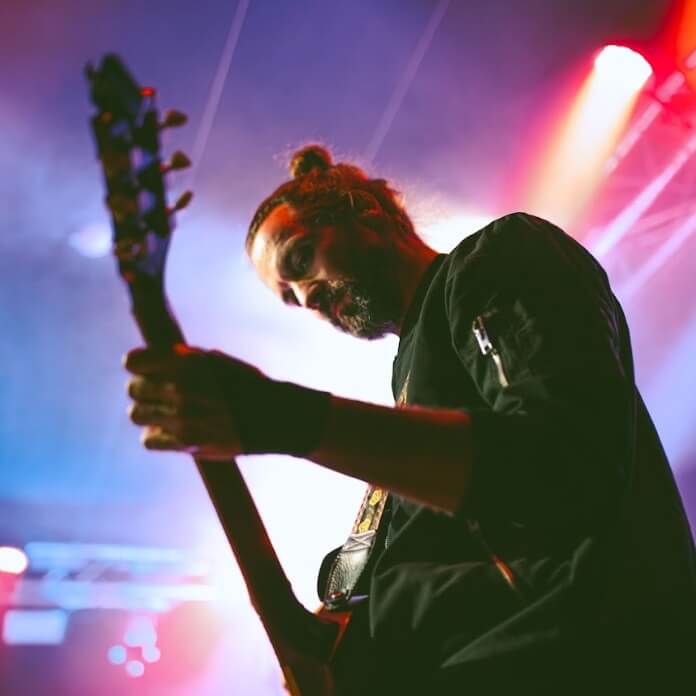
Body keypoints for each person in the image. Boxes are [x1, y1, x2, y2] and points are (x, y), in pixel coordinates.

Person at [125, 145, 695, 694]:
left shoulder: (498, 256)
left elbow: (567, 463)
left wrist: (284, 418)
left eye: (301, 260)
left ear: (365, 211)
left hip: (586, 660)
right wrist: (344, 640)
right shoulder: (409, 383)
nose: (309, 298)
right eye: (292, 299)